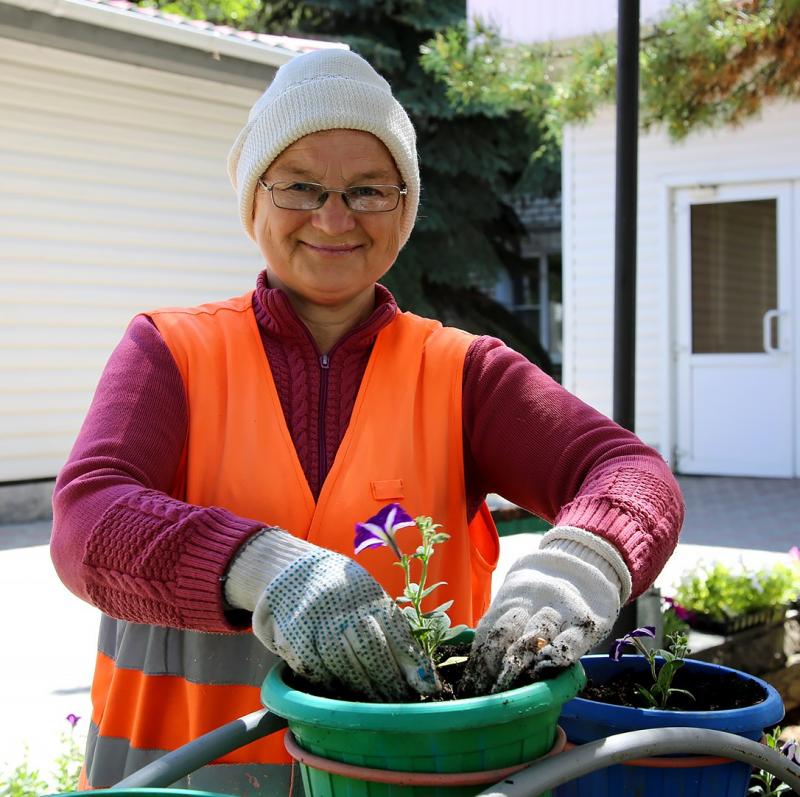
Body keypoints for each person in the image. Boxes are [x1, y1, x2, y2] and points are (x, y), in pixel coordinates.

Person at [51, 48, 684, 794]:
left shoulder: (461, 373)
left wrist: (574, 568)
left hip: (395, 780)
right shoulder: (170, 351)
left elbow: (631, 474)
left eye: (369, 190)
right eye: (301, 185)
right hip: (179, 778)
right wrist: (268, 570)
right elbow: (88, 520)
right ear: (255, 200)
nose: (333, 216)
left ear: (403, 209)